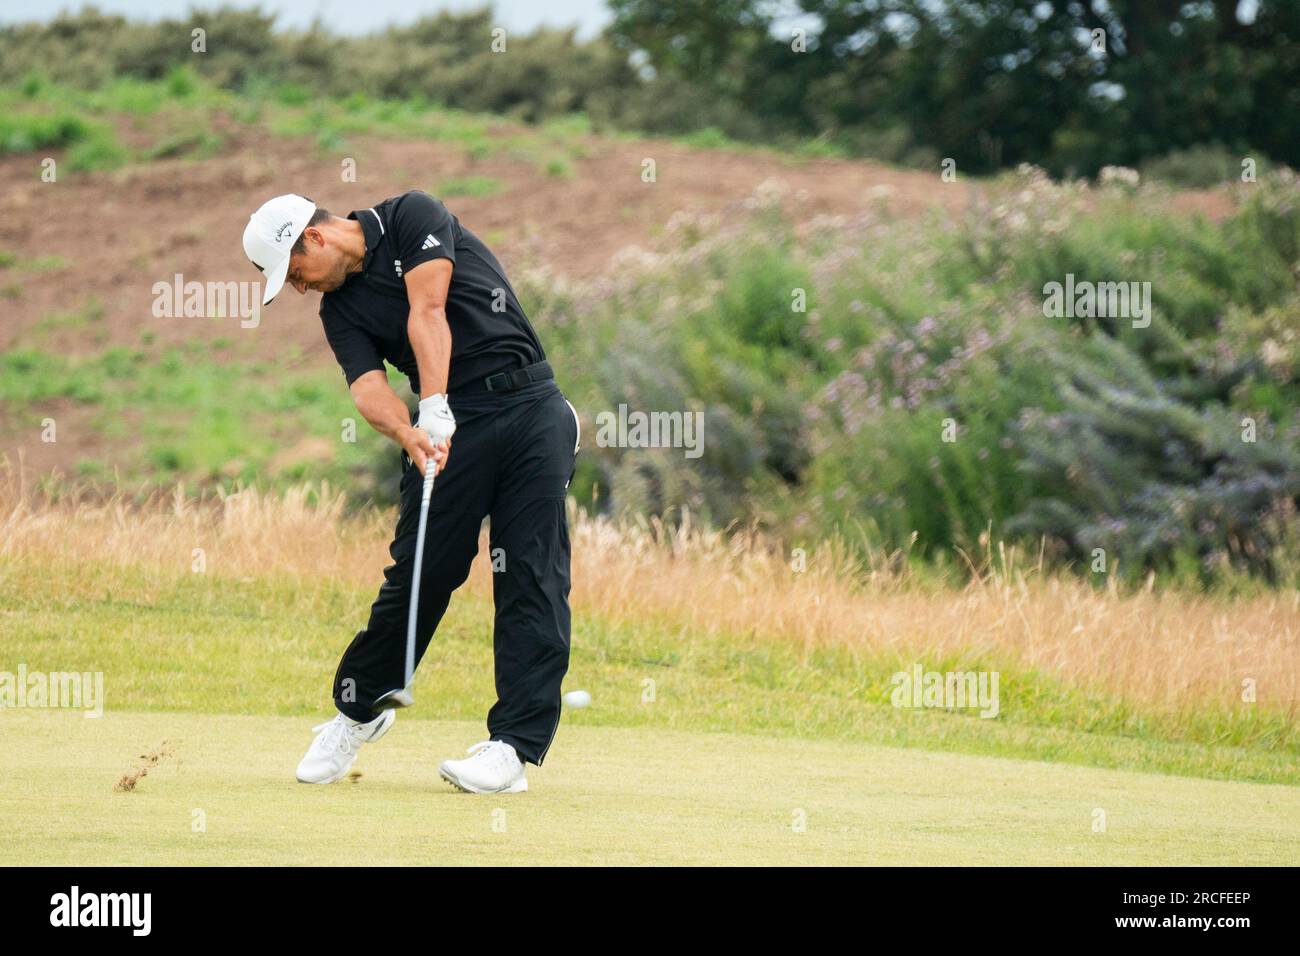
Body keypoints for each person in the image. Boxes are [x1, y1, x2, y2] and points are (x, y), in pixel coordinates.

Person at [242, 191, 580, 793]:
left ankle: (512, 749)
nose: (298, 288)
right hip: (447, 425)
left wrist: (433, 403)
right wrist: (408, 431)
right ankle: (358, 710)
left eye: (294, 273)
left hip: (528, 405)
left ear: (315, 238)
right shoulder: (337, 310)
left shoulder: (410, 218)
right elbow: (366, 386)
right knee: (421, 571)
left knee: (532, 571)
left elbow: (429, 309)